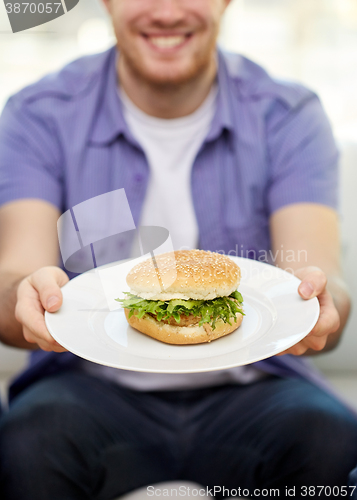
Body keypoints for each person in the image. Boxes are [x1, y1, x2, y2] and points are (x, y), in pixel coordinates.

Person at [0, 0, 357, 498]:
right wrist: (26, 295)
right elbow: (15, 276)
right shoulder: (38, 113)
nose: (166, 11)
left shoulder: (288, 114)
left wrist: (323, 303)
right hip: (87, 392)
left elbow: (322, 278)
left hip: (255, 391)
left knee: (331, 438)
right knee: (25, 440)